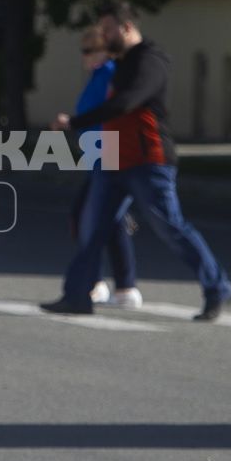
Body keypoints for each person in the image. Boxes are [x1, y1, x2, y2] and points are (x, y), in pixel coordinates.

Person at [45, 0, 231, 320]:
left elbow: (128, 101)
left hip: (149, 161)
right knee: (93, 228)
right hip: (114, 159)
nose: (103, 36)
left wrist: (75, 122)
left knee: (171, 227)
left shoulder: (151, 60)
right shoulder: (123, 62)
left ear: (127, 27)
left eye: (107, 29)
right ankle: (76, 295)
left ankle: (218, 290)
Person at [71, 20, 141, 308]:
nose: (85, 56)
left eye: (91, 50)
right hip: (100, 156)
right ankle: (122, 288)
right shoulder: (99, 75)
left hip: (110, 156)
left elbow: (113, 112)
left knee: (86, 217)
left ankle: (100, 284)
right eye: (83, 50)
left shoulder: (110, 73)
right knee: (109, 223)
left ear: (105, 51)